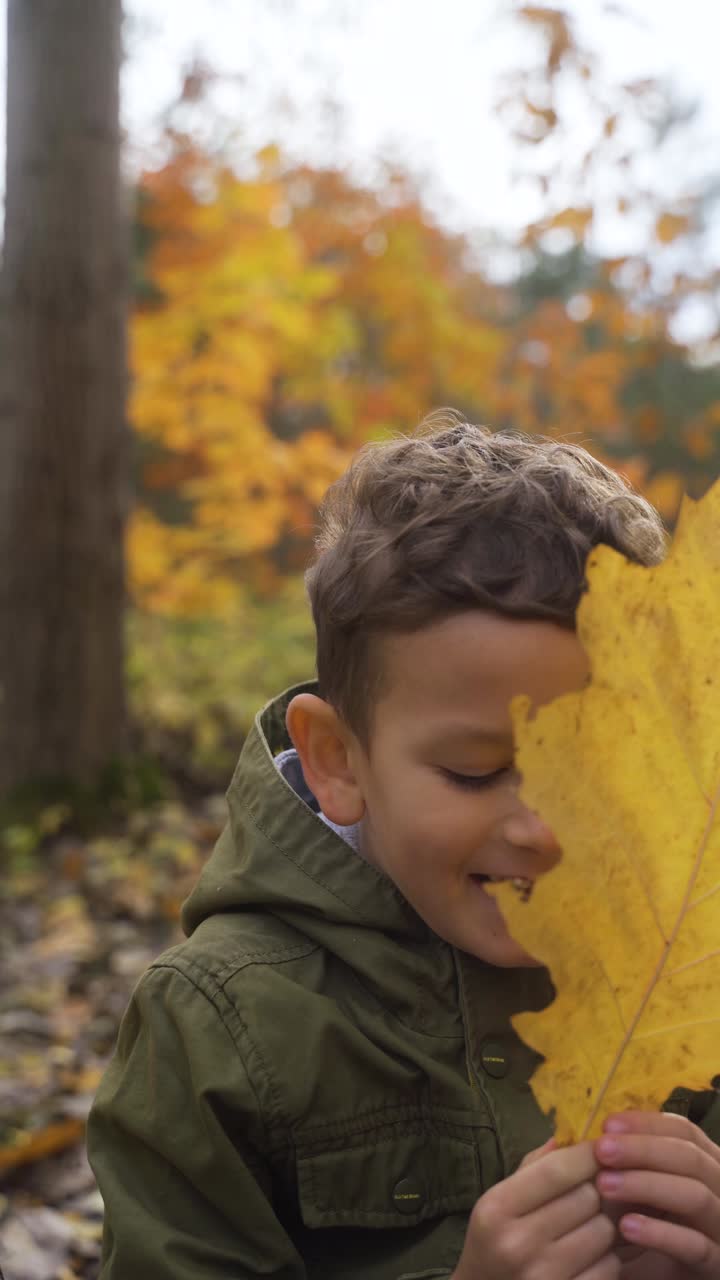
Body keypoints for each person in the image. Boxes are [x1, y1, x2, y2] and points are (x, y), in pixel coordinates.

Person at [87, 416, 720, 1279]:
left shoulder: (688, 964)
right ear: (339, 761)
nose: (545, 828)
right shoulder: (217, 1026)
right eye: (475, 772)